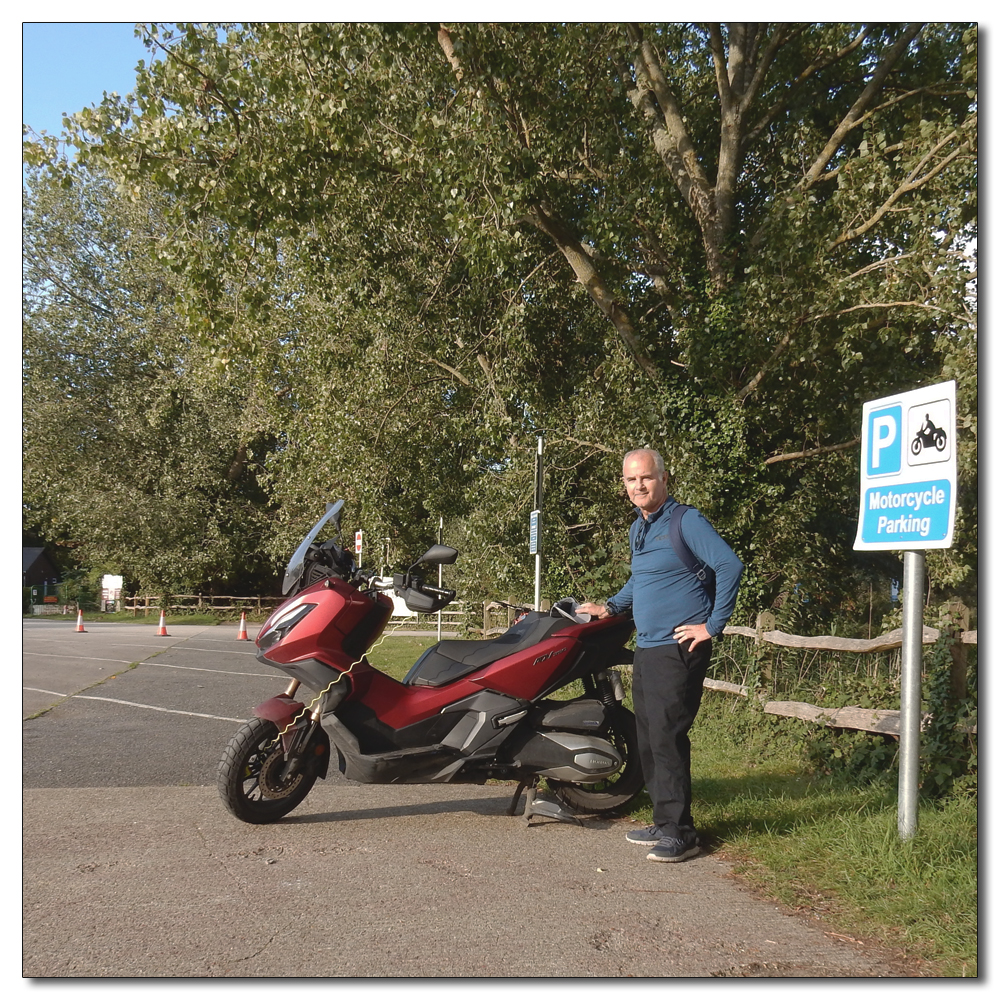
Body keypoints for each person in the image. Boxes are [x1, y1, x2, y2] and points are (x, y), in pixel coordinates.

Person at [578, 448, 743, 863]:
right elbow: (641, 579)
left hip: (680, 647)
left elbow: (729, 565)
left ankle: (681, 833)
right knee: (649, 737)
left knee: (667, 736)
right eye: (631, 480)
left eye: (646, 478)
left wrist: (711, 625)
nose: (638, 486)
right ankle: (663, 820)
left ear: (664, 479)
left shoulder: (686, 521)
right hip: (648, 646)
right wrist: (612, 607)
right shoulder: (641, 528)